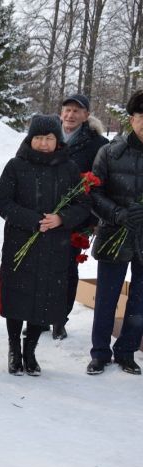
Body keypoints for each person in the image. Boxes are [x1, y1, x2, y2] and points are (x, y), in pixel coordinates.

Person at [0, 115, 90, 376]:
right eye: (38, 138)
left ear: (57, 140)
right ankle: (14, 349)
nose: (44, 143)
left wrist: (61, 218)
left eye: (49, 138)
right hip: (21, 242)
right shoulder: (16, 166)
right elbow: (2, 202)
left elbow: (82, 205)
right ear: (30, 139)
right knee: (17, 297)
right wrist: (33, 220)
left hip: (54, 245)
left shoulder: (69, 168)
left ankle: (30, 351)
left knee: (43, 299)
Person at [87, 89, 143, 375]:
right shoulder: (110, 152)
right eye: (141, 116)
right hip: (114, 234)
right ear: (131, 118)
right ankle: (99, 352)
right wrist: (118, 213)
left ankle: (126, 351)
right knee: (107, 297)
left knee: (140, 301)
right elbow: (94, 193)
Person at [54, 94, 109, 340]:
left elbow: (100, 184)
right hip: (45, 213)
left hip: (77, 216)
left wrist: (94, 218)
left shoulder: (97, 144)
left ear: (86, 115)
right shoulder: (48, 136)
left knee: (66, 270)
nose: (71, 115)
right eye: (67, 110)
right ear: (60, 112)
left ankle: (59, 319)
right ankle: (39, 316)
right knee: (42, 268)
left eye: (77, 111)